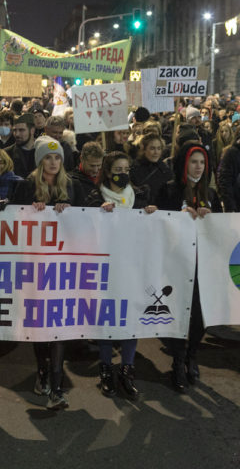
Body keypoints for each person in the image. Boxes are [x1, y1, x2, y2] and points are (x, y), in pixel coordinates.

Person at [11, 135, 86, 410]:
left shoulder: (74, 186)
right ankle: (42, 371)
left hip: (65, 268)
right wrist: (31, 212)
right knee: (39, 324)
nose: (53, 162)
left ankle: (56, 386)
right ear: (40, 161)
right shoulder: (26, 186)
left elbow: (87, 222)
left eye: (57, 158)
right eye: (48, 158)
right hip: (35, 267)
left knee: (59, 325)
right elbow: (15, 221)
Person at [87, 151, 157, 399]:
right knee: (107, 318)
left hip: (133, 265)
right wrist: (98, 212)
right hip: (106, 268)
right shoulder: (95, 196)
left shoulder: (140, 194)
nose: (123, 173)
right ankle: (106, 369)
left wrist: (150, 213)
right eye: (118, 169)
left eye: (126, 168)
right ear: (107, 171)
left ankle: (127, 369)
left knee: (131, 318)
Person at [160, 142, 222, 391]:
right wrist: (179, 214)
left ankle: (191, 354)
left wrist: (211, 218)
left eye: (202, 162)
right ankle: (177, 362)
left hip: (203, 265)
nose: (198, 167)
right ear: (183, 164)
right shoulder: (169, 191)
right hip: (176, 263)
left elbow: (221, 229)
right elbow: (158, 224)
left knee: (201, 316)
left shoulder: (212, 195)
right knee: (176, 315)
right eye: (193, 161)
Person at [130, 133, 175, 206]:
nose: (156, 152)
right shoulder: (134, 168)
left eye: (159, 148)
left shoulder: (165, 170)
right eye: (152, 148)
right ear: (144, 149)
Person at [5, 113, 38, 178]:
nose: (17, 134)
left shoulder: (43, 152)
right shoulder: (7, 153)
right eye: (14, 130)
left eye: (21, 130)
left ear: (32, 130)